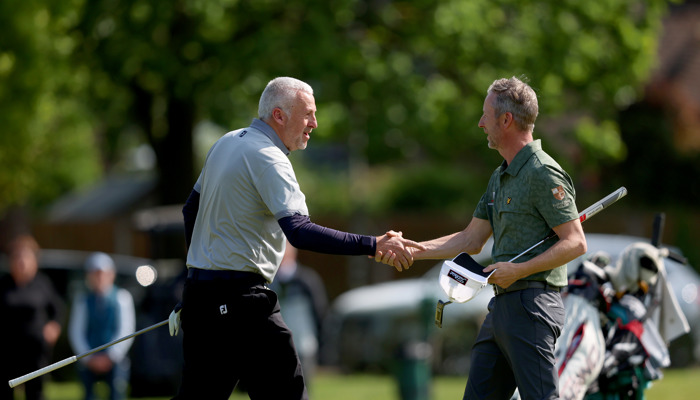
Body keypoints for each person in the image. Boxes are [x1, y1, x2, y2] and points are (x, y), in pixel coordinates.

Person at [168, 76, 425, 400]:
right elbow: (299, 231)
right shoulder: (269, 157)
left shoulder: (226, 142)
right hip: (242, 303)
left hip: (201, 299)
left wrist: (198, 274)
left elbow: (190, 210)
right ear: (279, 115)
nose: (314, 124)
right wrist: (372, 245)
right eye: (307, 114)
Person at [378, 76, 587, 400]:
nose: (480, 123)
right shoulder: (499, 176)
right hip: (501, 306)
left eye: (485, 115)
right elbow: (470, 240)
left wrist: (519, 269)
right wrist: (411, 250)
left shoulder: (543, 172)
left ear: (506, 119)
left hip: (533, 305)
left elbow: (575, 242)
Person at [0, 235, 64, 400]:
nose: (21, 262)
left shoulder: (42, 284)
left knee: (35, 392)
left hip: (35, 351)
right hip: (7, 352)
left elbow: (57, 309)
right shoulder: (3, 285)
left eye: (25, 257)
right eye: (17, 257)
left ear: (34, 261)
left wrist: (54, 326)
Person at [68, 252, 136, 400]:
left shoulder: (122, 298)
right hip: (89, 359)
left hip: (116, 360)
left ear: (111, 275)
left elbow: (126, 330)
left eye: (103, 273)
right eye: (95, 274)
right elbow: (76, 331)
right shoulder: (82, 300)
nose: (99, 278)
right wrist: (88, 357)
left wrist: (111, 356)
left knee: (116, 395)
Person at [268, 241, 328, 385]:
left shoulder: (307, 280)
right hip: (275, 347)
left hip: (303, 346)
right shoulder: (269, 282)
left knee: (302, 387)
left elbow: (320, 312)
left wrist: (323, 346)